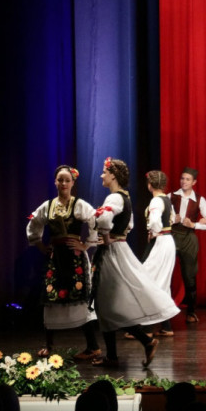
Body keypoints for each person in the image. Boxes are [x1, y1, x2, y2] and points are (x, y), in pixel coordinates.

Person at [90, 157, 179, 367]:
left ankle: (129, 348)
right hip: (119, 248)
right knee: (110, 304)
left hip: (112, 252)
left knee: (105, 302)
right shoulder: (125, 197)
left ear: (113, 176)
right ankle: (139, 344)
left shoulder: (114, 198)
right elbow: (129, 224)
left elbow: (103, 220)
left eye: (105, 172)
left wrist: (105, 235)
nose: (102, 175)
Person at [26, 165, 101, 360]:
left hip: (74, 256)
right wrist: (39, 244)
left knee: (80, 297)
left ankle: (93, 346)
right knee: (51, 297)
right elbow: (34, 222)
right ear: (55, 182)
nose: (64, 183)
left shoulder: (79, 204)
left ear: (73, 183)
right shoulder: (48, 206)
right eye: (60, 180)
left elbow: (95, 220)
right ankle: (49, 345)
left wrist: (86, 244)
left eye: (67, 180)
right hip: (55, 257)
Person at [170, 167, 206, 323]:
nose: (184, 181)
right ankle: (164, 311)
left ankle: (190, 311)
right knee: (166, 273)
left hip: (189, 238)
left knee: (189, 275)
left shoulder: (199, 199)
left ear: (194, 182)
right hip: (171, 236)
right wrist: (172, 220)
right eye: (182, 178)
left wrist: (195, 224)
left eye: (188, 179)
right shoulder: (171, 196)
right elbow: (159, 218)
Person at [141, 170, 177, 337]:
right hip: (168, 240)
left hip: (161, 241)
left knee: (149, 281)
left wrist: (154, 232)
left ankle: (147, 328)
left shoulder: (156, 200)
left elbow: (155, 221)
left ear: (150, 185)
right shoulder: (167, 199)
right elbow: (173, 218)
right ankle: (166, 325)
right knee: (162, 282)